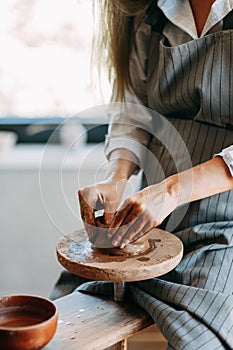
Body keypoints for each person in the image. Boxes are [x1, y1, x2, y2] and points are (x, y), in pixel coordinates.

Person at [52, 1, 233, 348]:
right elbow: (134, 111)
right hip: (153, 215)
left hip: (226, 224)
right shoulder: (148, 11)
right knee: (64, 320)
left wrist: (172, 191)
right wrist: (118, 179)